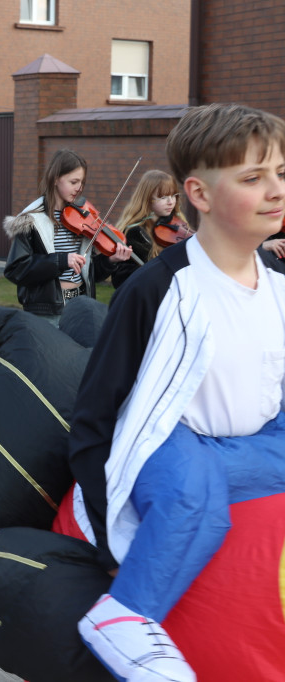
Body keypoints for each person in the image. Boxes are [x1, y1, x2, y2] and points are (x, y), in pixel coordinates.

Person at [69, 103, 285, 682]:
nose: (275, 190)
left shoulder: (281, 290)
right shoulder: (158, 290)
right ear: (200, 193)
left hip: (248, 453)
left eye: (281, 174)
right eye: (252, 178)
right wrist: (106, 534)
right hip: (167, 450)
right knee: (194, 490)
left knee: (214, 471)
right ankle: (123, 618)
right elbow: (94, 414)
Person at [2, 149, 133, 321]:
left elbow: (89, 273)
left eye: (82, 183)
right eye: (74, 182)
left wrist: (110, 261)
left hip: (82, 306)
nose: (79, 188)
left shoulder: (81, 219)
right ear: (56, 178)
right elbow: (16, 270)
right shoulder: (32, 221)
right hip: (48, 312)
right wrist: (62, 261)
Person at [111, 170, 193, 288]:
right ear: (147, 199)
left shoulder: (178, 223)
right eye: (163, 197)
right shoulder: (135, 233)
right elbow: (121, 278)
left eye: (173, 195)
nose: (171, 202)